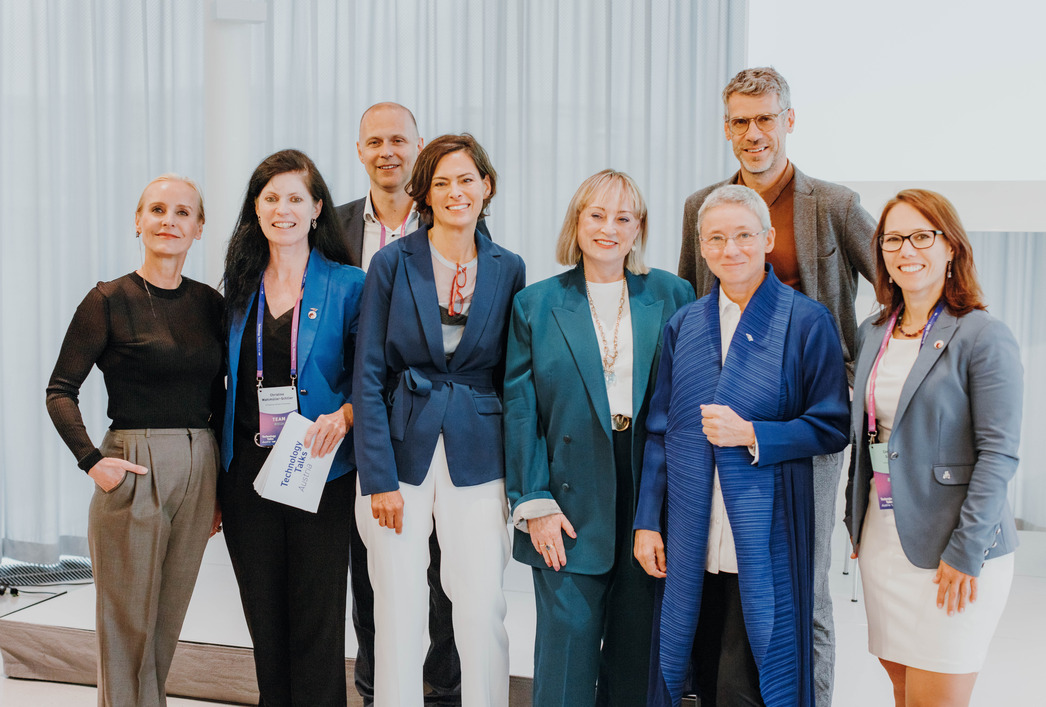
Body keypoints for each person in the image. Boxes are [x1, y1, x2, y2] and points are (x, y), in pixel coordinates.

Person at [677, 66, 876, 706]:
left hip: (806, 422)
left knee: (803, 588)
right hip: (723, 424)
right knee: (724, 575)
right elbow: (690, 302)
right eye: (740, 121)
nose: (754, 132)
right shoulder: (703, 207)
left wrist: (862, 370)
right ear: (726, 127)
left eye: (765, 118)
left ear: (788, 120)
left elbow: (896, 280)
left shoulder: (833, 204)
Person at [635, 185, 850, 707]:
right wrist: (646, 521)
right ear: (701, 247)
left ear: (768, 239)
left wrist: (754, 434)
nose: (729, 249)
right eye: (715, 238)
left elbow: (832, 425)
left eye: (743, 236)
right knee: (701, 671)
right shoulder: (685, 323)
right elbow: (660, 431)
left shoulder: (807, 321)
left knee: (749, 679)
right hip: (692, 529)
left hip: (764, 528)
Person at [503, 170, 693, 705]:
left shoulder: (673, 294)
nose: (609, 228)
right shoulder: (536, 303)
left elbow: (685, 402)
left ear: (639, 229)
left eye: (623, 218)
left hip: (648, 494)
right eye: (597, 215)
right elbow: (521, 411)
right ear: (577, 222)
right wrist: (533, 500)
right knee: (565, 661)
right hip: (565, 500)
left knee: (637, 663)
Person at [352, 133, 525, 706]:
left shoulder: (509, 267)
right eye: (442, 182)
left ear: (486, 186)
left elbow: (513, 377)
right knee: (399, 607)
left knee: (480, 606)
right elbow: (368, 374)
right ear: (424, 193)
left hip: (479, 449)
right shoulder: (390, 262)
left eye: (466, 179)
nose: (456, 192)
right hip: (401, 449)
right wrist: (377, 478)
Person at [45, 174, 223, 707]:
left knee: (166, 622)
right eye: (158, 210)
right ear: (138, 222)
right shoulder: (107, 299)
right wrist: (92, 461)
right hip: (134, 465)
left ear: (199, 228)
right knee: (127, 625)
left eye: (183, 213)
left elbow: (220, 394)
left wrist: (219, 486)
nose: (169, 221)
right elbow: (60, 390)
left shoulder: (211, 304)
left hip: (201, 465)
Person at [845, 189, 1022, 707]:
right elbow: (871, 433)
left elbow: (999, 455)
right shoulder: (873, 330)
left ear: (951, 248)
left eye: (922, 236)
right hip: (884, 538)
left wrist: (966, 551)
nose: (906, 250)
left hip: (955, 548)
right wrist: (856, 520)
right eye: (893, 239)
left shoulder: (982, 335)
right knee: (904, 691)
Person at [219, 149, 365, 706]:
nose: (283, 209)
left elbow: (376, 375)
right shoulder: (238, 287)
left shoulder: (349, 285)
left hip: (318, 469)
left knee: (316, 622)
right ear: (256, 209)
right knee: (265, 622)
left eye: (295, 198)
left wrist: (345, 415)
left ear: (317, 207)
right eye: (271, 198)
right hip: (247, 474)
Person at [335, 102, 467, 706]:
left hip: (433, 423)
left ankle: (442, 691)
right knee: (373, 574)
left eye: (398, 140)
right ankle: (376, 691)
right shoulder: (332, 226)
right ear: (360, 150)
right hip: (357, 422)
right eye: (374, 142)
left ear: (418, 147)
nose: (387, 152)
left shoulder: (452, 214)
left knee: (444, 574)